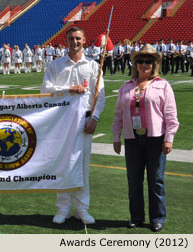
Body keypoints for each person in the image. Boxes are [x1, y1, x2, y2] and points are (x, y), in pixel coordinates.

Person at [41, 27, 105, 225]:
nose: (74, 42)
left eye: (78, 38)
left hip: (84, 122)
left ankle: (82, 209)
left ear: (84, 40)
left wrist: (94, 119)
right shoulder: (56, 65)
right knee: (62, 164)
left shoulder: (94, 66)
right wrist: (68, 89)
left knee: (82, 166)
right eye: (71, 39)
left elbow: (99, 96)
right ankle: (63, 208)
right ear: (66, 40)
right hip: (61, 122)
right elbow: (46, 89)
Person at [112, 44, 179, 232]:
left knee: (156, 180)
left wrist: (169, 138)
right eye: (140, 61)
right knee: (134, 180)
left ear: (154, 64)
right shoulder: (126, 87)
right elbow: (118, 115)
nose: (144, 64)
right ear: (135, 64)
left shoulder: (163, 85)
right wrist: (116, 137)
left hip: (155, 139)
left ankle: (157, 217)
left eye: (148, 61)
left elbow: (171, 116)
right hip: (132, 139)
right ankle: (136, 217)